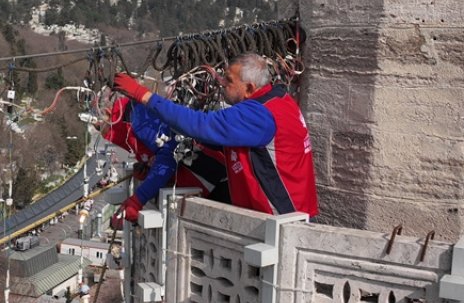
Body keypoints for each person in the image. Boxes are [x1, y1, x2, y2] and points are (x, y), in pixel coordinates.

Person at [112, 53, 318, 216]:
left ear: (248, 88)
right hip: (288, 211)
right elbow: (212, 136)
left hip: (279, 216)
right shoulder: (278, 100)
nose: (221, 83)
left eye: (228, 80)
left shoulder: (258, 115)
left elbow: (200, 125)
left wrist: (144, 96)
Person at [101, 96, 228, 229]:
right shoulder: (128, 122)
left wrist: (139, 198)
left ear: (107, 112)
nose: (100, 132)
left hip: (209, 174)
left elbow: (169, 153)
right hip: (197, 179)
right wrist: (147, 169)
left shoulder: (137, 117)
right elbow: (158, 154)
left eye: (98, 125)